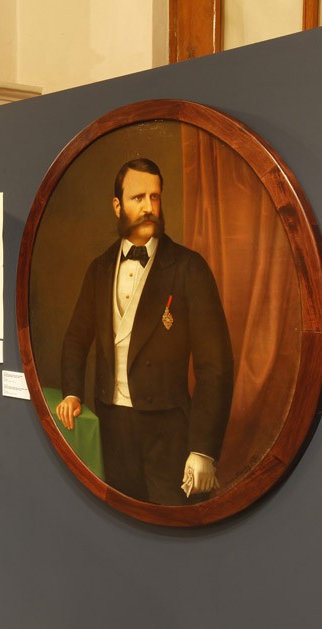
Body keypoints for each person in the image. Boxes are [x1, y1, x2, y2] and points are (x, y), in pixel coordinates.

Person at [55, 158, 233, 505]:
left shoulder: (189, 268)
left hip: (169, 433)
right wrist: (73, 393)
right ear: (117, 205)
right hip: (112, 426)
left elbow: (215, 367)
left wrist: (203, 449)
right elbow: (76, 340)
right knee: (119, 518)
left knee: (172, 525)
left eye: (155, 197)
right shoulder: (99, 269)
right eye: (138, 198)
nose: (148, 207)